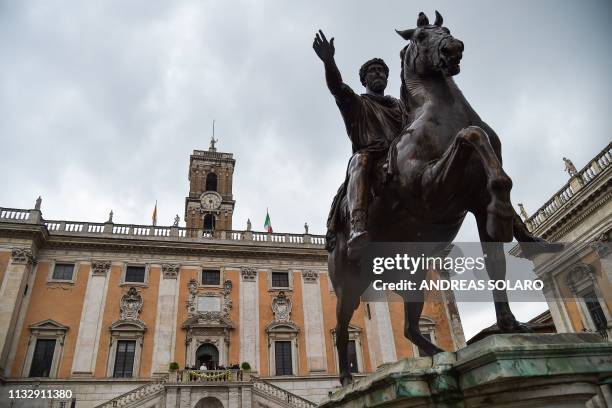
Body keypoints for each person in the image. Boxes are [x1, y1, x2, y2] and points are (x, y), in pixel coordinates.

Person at [313, 30, 406, 259]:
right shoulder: (356, 103)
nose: (378, 73)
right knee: (359, 160)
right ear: (364, 80)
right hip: (371, 156)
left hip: (401, 156)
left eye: (382, 71)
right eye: (372, 71)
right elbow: (336, 86)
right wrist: (328, 61)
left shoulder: (401, 107)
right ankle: (357, 225)